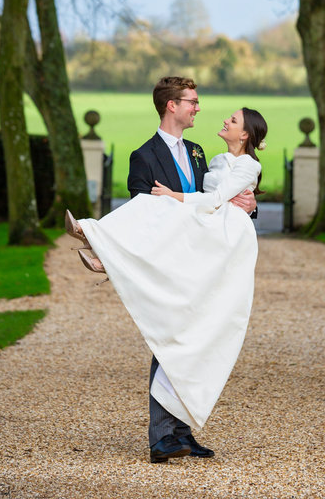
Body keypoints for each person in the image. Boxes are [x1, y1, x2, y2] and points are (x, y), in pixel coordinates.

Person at [64, 78, 266, 464]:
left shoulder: (199, 151)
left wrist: (250, 203)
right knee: (169, 340)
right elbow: (145, 215)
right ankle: (163, 438)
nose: (198, 108)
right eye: (192, 101)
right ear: (171, 106)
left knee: (196, 341)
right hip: (171, 262)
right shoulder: (143, 156)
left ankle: (181, 434)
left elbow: (215, 202)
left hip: (202, 260)